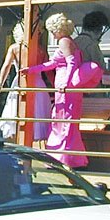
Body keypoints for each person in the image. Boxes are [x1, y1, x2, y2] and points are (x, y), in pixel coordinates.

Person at [21, 13, 89, 168]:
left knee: (62, 121)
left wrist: (65, 83)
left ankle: (60, 158)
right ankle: (65, 157)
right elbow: (52, 64)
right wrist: (32, 70)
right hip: (65, 87)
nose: (51, 33)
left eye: (52, 30)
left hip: (65, 88)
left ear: (58, 29)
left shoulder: (64, 41)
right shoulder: (69, 41)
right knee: (63, 121)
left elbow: (71, 62)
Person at [0, 21, 50, 142]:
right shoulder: (41, 50)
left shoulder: (14, 48)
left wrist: (0, 84)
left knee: (14, 113)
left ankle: (16, 144)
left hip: (20, 82)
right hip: (38, 84)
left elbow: (6, 66)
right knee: (37, 114)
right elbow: (48, 71)